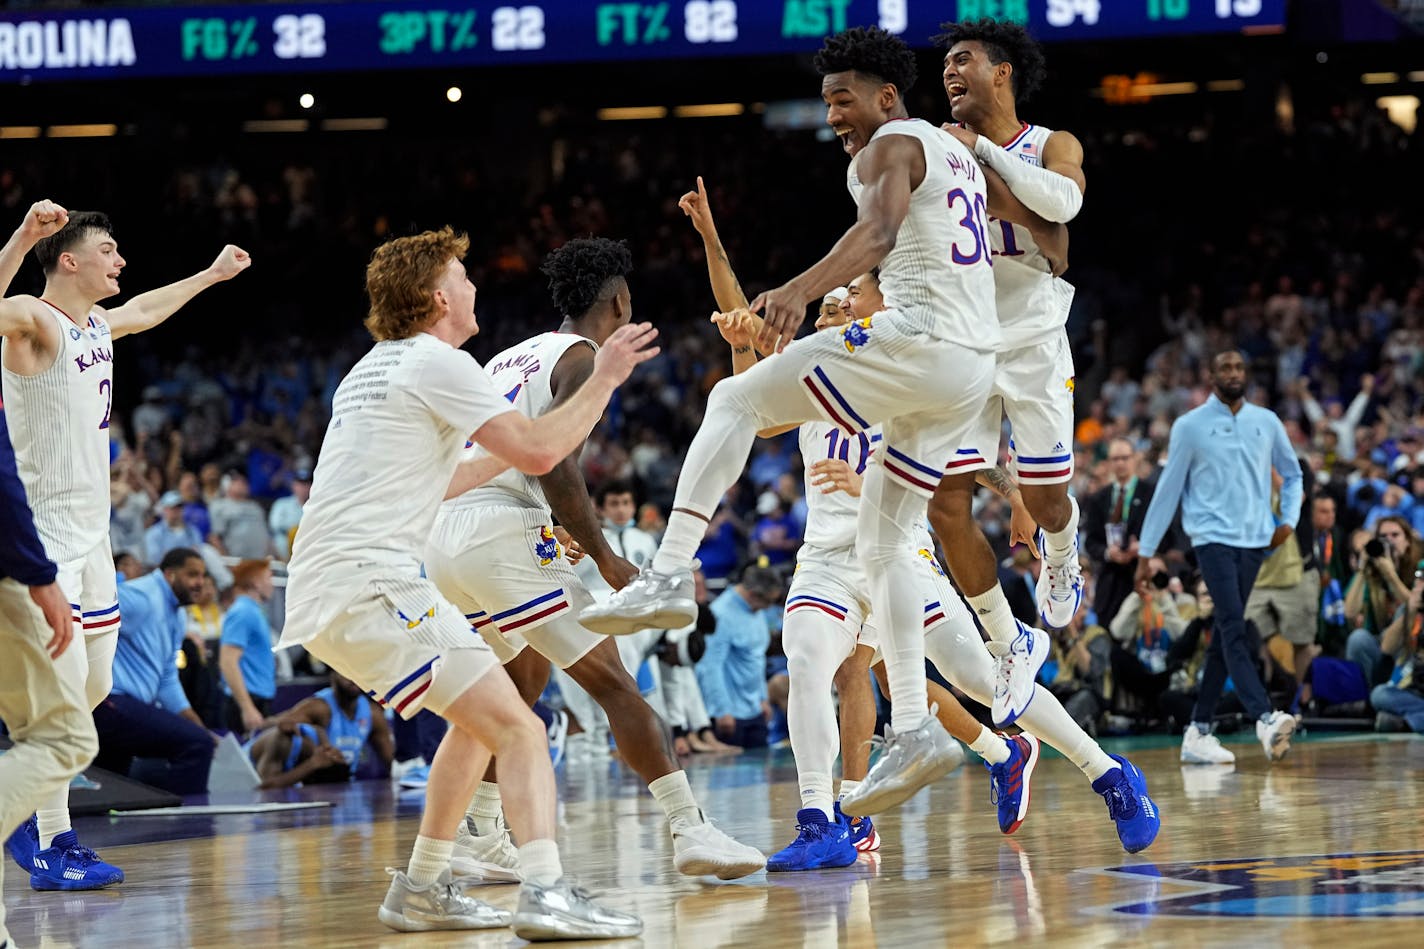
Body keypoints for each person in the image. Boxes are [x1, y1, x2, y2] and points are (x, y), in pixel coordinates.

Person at [582, 27, 1074, 816]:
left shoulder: (891, 145)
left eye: (841, 99)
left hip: (920, 340)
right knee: (887, 540)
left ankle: (671, 570)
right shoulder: (962, 155)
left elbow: (875, 233)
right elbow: (1050, 238)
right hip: (967, 371)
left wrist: (797, 288)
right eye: (825, 103)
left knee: (732, 401)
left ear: (886, 95)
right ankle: (914, 726)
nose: (834, 116)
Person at [682, 184, 1157, 856]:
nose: (835, 307)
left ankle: (1108, 772)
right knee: (808, 662)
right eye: (827, 305)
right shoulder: (812, 375)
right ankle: (823, 822)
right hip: (828, 559)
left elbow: (962, 460)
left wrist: (1016, 494)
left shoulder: (897, 359)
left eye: (845, 298)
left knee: (984, 677)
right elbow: (744, 342)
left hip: (902, 554)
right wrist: (712, 243)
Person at [279, 226, 649, 938]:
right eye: (464, 275)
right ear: (436, 296)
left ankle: (419, 887)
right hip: (370, 583)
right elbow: (542, 448)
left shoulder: (373, 369)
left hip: (349, 582)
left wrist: (503, 469)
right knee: (519, 728)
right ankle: (544, 892)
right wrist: (604, 376)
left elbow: (446, 477)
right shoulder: (439, 362)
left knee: (485, 720)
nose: (476, 285)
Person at [423, 237, 764, 884]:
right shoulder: (583, 357)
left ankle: (485, 835)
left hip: (447, 532)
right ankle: (690, 827)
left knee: (517, 683)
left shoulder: (510, 356)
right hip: (497, 527)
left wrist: (553, 525)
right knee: (613, 682)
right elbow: (553, 460)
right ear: (617, 301)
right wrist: (607, 557)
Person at [0, 200, 249, 887]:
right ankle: (52, 837)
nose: (121, 260)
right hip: (43, 541)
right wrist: (23, 236)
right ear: (69, 259)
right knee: (60, 706)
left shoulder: (99, 324)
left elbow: (146, 308)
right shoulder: (30, 319)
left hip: (95, 541)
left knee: (96, 689)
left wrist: (209, 275)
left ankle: (27, 798)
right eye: (109, 250)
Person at [936, 18, 1087, 633]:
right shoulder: (941, 144)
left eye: (962, 59)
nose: (948, 71)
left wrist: (984, 157)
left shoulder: (1053, 143)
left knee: (1049, 503)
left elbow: (1065, 205)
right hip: (965, 339)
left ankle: (1062, 552)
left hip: (1033, 339)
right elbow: (1048, 230)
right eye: (944, 63)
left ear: (1002, 73)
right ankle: (1005, 639)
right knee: (947, 501)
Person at [1137, 350, 1303, 763]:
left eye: (1239, 367)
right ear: (1210, 375)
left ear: (1246, 374)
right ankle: (1265, 717)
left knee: (1223, 635)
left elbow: (1295, 473)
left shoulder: (1267, 421)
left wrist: (1290, 519)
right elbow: (1168, 490)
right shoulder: (1189, 426)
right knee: (1233, 625)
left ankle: (1198, 729)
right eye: (1225, 367)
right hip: (1210, 538)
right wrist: (1146, 550)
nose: (1233, 373)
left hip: (1256, 542)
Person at [0, 406, 99, 908]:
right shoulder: (31, 329)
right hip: (22, 563)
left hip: (65, 539)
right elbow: (3, 479)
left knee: (82, 701)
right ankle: (31, 823)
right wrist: (39, 575)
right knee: (65, 736)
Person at [92, 548, 215, 796]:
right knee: (196, 745)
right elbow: (89, 617)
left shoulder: (178, 614)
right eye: (192, 575)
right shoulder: (142, 597)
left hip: (127, 707)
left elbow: (167, 680)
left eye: (202, 576)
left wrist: (198, 725)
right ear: (169, 574)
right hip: (111, 702)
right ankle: (185, 826)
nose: (199, 583)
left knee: (110, 786)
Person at [249, 671, 395, 788]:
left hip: (328, 782)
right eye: (346, 671)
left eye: (357, 671)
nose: (353, 677)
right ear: (333, 674)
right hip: (246, 771)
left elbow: (391, 765)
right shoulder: (316, 710)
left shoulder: (373, 714)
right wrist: (312, 764)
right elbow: (262, 787)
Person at [1082, 438, 1156, 631]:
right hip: (1110, 581)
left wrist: (1144, 547)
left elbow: (1166, 535)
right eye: (1115, 459)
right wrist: (1108, 552)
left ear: (1135, 459)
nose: (1120, 463)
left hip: (1143, 574)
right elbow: (1090, 542)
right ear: (1108, 463)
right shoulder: (1099, 498)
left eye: (1125, 458)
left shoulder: (1150, 493)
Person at [219, 558, 277, 737]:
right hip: (248, 701)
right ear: (256, 583)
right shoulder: (243, 612)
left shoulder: (252, 611)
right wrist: (247, 708)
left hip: (256, 698)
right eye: (269, 578)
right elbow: (228, 661)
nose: (272, 585)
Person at [145, 490, 204, 567]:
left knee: (207, 550)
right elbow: (154, 561)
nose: (176, 511)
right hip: (165, 572)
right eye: (172, 508)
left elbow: (198, 555)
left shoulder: (193, 531)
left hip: (190, 571)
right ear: (164, 509)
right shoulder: (153, 533)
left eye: (179, 507)